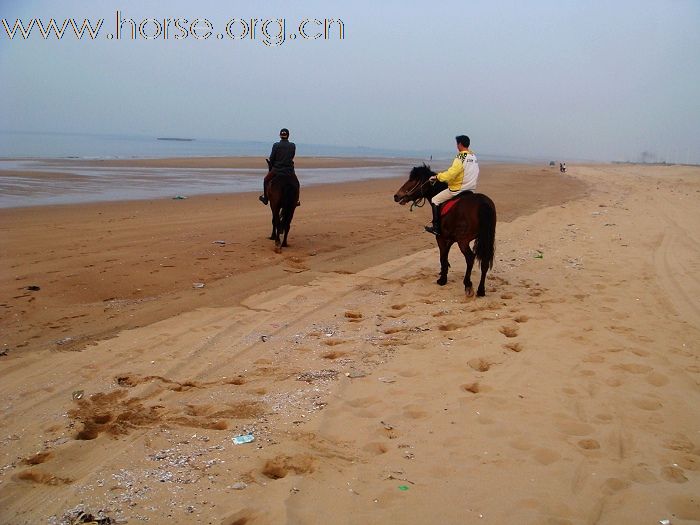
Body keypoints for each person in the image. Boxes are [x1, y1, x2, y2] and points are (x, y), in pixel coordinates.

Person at [424, 135, 479, 236]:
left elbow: (451, 173)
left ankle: (436, 228)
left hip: (458, 189)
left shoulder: (460, 157)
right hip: (471, 189)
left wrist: (437, 177)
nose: (457, 146)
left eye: (457, 144)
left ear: (460, 144)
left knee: (435, 200)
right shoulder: (473, 157)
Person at [259, 128, 299, 205]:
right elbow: (292, 156)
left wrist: (274, 164)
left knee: (266, 180)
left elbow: (272, 158)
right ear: (288, 135)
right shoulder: (292, 145)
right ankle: (296, 200)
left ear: (280, 135)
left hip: (277, 170)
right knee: (296, 183)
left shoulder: (276, 145)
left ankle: (265, 198)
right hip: (289, 170)